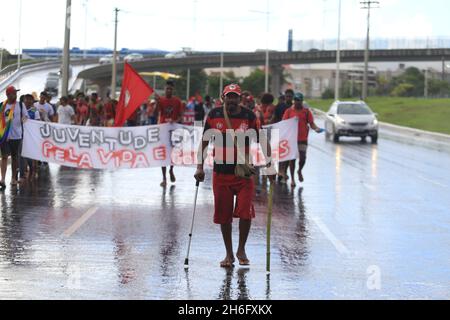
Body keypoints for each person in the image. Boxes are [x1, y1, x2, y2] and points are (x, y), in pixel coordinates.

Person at [194, 84, 275, 268]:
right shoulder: (214, 115)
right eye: (228, 96)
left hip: (243, 172)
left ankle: (241, 249)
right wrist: (199, 167)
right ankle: (229, 253)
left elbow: (263, 140)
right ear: (223, 98)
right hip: (221, 173)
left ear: (240, 99)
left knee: (245, 212)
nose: (231, 100)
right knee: (224, 216)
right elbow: (204, 142)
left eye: (235, 97)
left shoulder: (249, 116)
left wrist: (270, 166)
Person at [283, 93, 323, 187]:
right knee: (292, 160)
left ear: (302, 101)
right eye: (296, 100)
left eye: (299, 100)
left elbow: (312, 123)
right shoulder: (289, 111)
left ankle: (300, 170)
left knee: (303, 158)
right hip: (292, 139)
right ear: (294, 101)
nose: (297, 102)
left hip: (302, 139)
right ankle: (292, 179)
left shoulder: (306, 111)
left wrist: (316, 128)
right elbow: (284, 123)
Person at [155, 81, 183, 187]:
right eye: (167, 88)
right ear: (164, 89)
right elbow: (156, 113)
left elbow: (181, 116)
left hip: (173, 130)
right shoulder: (161, 100)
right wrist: (157, 103)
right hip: (163, 129)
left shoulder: (177, 101)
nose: (169, 90)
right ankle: (164, 178)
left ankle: (171, 169)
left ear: (173, 90)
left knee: (172, 153)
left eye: (170, 89)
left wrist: (175, 121)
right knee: (163, 154)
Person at [0, 86, 29, 190]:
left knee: (14, 157)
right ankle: (2, 179)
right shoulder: (2, 105)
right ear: (8, 95)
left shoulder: (20, 105)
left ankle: (13, 178)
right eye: (13, 93)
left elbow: (26, 116)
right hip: (4, 136)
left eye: (15, 93)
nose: (15, 95)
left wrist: (23, 120)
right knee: (4, 157)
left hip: (17, 135)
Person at [274, 89, 294, 183]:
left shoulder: (294, 107)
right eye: (287, 96)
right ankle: (280, 171)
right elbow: (275, 118)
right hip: (281, 131)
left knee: (289, 154)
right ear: (285, 96)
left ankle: (284, 171)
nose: (289, 98)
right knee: (281, 153)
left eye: (290, 96)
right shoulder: (280, 106)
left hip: (291, 133)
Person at [20, 94, 40, 180]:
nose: (27, 101)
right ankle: (23, 171)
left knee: (32, 153)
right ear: (23, 101)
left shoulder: (34, 111)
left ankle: (34, 169)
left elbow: (38, 122)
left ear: (32, 101)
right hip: (21, 134)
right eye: (26, 99)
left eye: (29, 99)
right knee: (22, 153)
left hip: (31, 135)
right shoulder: (20, 110)